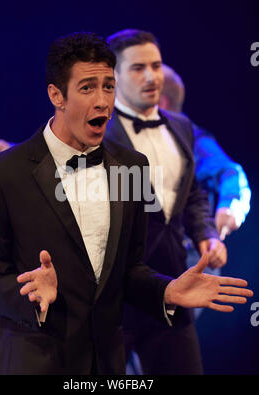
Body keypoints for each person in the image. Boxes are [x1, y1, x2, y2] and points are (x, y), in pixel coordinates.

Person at [0, 31, 253, 376]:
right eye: (88, 87)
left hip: (107, 361)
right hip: (35, 359)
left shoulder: (131, 165)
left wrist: (167, 289)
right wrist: (30, 295)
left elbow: (130, 271)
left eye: (108, 86)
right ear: (56, 95)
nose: (103, 100)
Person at [104, 29, 231, 375]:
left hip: (175, 289)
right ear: (112, 75)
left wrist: (207, 236)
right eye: (138, 68)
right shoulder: (93, 130)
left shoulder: (181, 126)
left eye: (157, 65)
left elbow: (191, 196)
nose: (151, 76)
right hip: (113, 298)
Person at [158, 64, 251, 243]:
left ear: (161, 102)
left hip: (191, 254)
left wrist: (231, 206)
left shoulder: (193, 139)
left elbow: (230, 172)